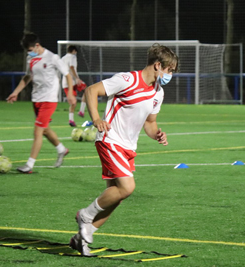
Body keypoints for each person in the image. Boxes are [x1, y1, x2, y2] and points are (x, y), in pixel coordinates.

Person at [69, 43, 179, 256]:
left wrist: (157, 133)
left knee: (116, 195)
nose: (170, 75)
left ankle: (82, 237)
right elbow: (91, 91)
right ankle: (85, 215)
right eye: (170, 70)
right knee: (127, 187)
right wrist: (96, 119)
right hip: (110, 140)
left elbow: (150, 123)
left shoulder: (158, 93)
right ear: (158, 65)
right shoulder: (127, 80)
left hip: (128, 147)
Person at [6, 33, 76, 173]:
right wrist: (16, 92)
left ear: (37, 45)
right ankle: (61, 149)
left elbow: (67, 74)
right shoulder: (30, 59)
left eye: (31, 49)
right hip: (36, 99)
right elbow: (27, 77)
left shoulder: (52, 57)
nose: (29, 53)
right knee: (44, 129)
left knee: (37, 130)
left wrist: (69, 93)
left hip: (49, 99)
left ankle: (29, 165)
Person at [61, 45, 87, 127]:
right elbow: (71, 67)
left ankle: (72, 119)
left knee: (73, 102)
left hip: (65, 83)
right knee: (87, 91)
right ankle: (81, 111)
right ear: (74, 51)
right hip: (73, 81)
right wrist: (76, 78)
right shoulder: (72, 57)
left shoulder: (62, 58)